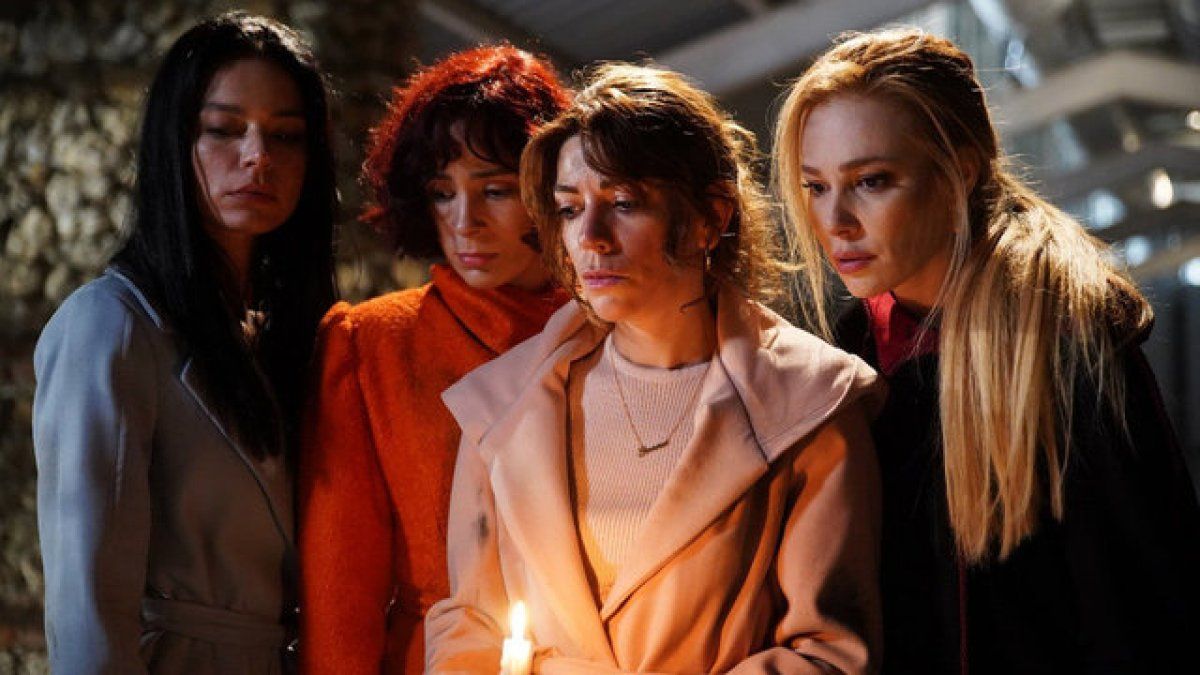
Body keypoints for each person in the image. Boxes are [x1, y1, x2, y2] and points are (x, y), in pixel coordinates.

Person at [425, 63, 884, 674]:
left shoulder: (809, 402)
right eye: (569, 209)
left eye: (622, 203)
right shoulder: (501, 405)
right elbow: (468, 626)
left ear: (710, 217)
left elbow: (828, 653)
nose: (590, 237)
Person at [773, 27, 1200, 674]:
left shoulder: (1065, 348)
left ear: (960, 171)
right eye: (815, 186)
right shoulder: (851, 355)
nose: (835, 222)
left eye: (872, 181)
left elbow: (1144, 616)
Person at [33, 11, 337, 674]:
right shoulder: (111, 325)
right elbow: (86, 604)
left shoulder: (281, 332)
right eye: (223, 129)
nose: (258, 156)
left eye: (286, 136)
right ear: (175, 141)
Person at [297, 46, 571, 674]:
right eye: (441, 193)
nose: (465, 221)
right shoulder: (371, 343)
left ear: (553, 189)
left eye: (495, 190)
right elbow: (340, 589)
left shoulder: (610, 333)